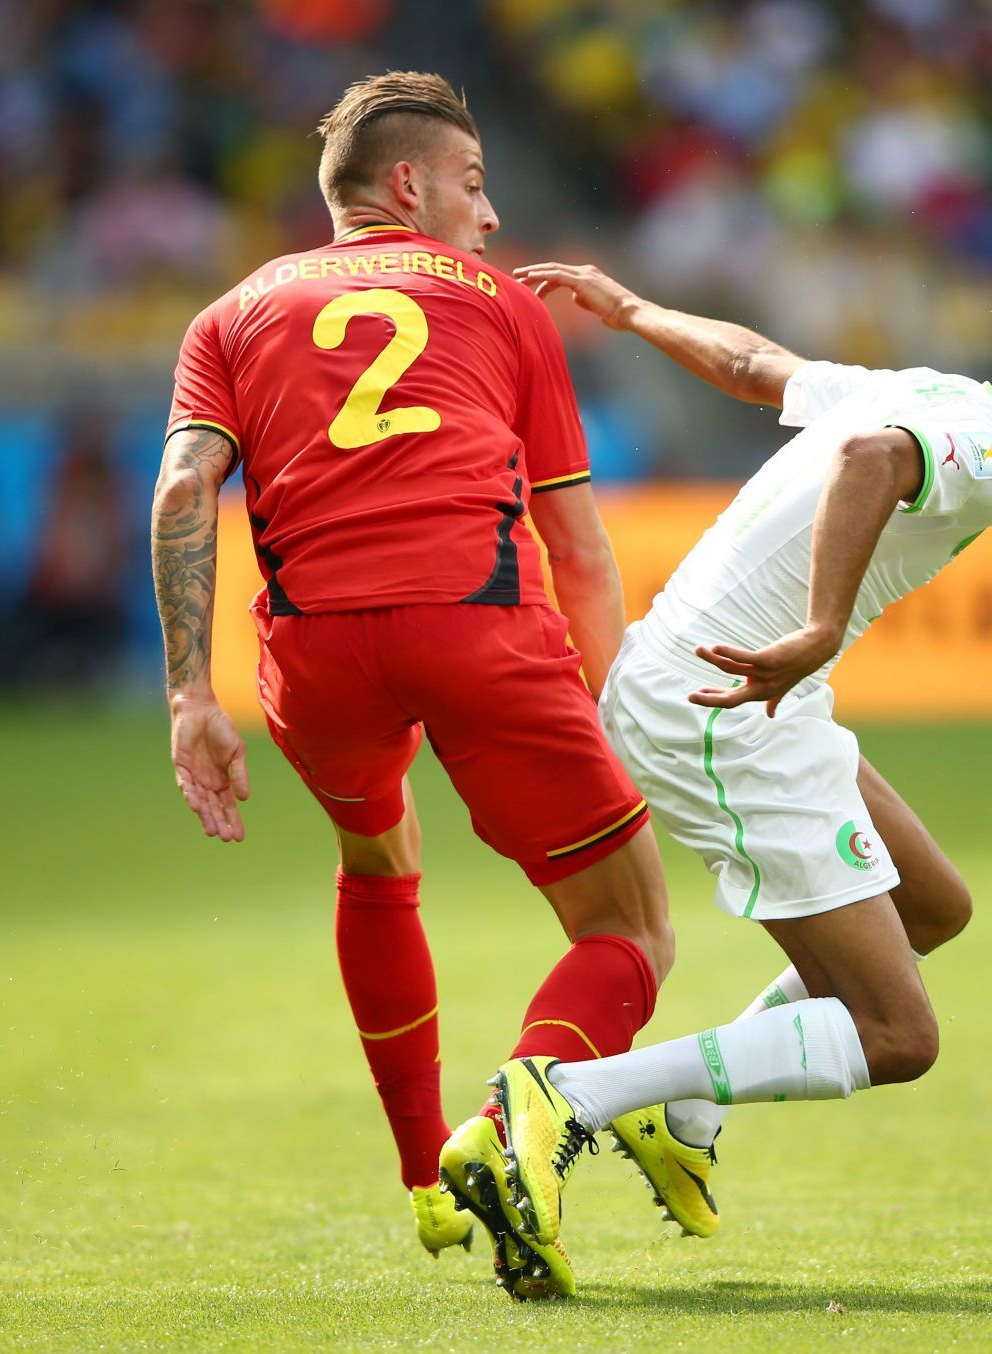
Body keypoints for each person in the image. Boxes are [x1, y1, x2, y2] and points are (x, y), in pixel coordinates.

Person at [466, 260, 992, 1256]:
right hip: (722, 705)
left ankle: (685, 1119)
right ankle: (567, 1093)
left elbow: (759, 365)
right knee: (898, 1035)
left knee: (934, 906)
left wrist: (636, 312)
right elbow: (872, 462)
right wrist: (820, 626)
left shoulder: (925, 391)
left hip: (740, 692)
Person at [148, 74, 676, 1300]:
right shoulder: (504, 303)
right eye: (475, 187)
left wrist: (189, 694)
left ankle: (423, 1182)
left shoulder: (227, 313)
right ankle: (517, 1120)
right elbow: (580, 547)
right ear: (409, 186)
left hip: (314, 651)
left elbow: (182, 494)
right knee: (629, 926)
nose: (489, 219)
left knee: (379, 862)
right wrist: (609, 707)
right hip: (477, 622)